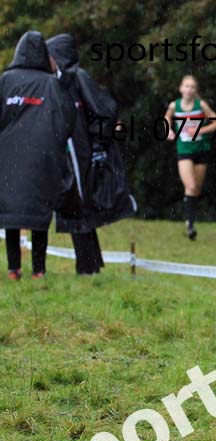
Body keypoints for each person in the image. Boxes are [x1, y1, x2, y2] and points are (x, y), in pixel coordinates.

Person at [47, 33, 136, 275]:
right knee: (76, 210)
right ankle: (90, 263)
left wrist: (98, 146)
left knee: (79, 209)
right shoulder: (58, 81)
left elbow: (104, 111)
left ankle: (87, 265)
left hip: (84, 158)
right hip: (71, 156)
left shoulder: (78, 78)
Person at [0, 31, 75, 280]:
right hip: (42, 158)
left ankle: (13, 269)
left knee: (11, 212)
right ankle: (39, 270)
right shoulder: (52, 84)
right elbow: (67, 120)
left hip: (8, 157)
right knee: (38, 215)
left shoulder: (6, 81)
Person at [164, 75, 216, 240]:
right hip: (184, 149)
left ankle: (190, 223)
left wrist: (200, 131)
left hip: (201, 149)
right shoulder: (174, 105)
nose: (189, 90)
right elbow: (166, 118)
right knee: (191, 184)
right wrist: (169, 130)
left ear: (196, 91)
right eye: (186, 86)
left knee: (195, 189)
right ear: (181, 88)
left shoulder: (200, 104)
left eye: (192, 87)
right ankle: (189, 223)